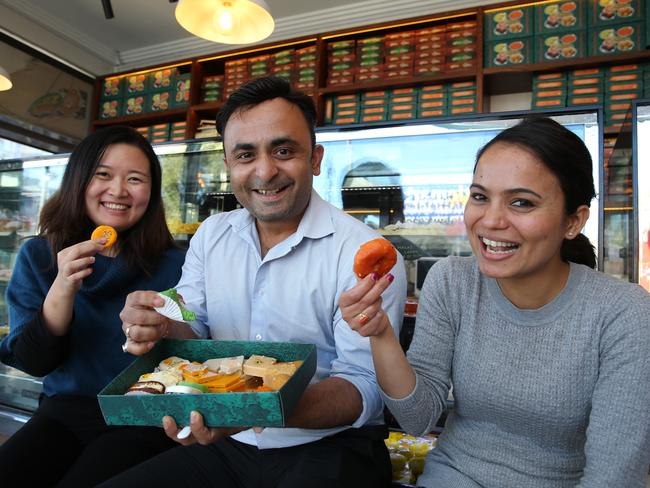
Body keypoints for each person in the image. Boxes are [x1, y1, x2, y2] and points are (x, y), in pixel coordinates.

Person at [101, 76, 407, 488]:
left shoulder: (364, 253)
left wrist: (253, 408)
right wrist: (162, 325)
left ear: (315, 159)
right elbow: (193, 325)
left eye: (283, 150)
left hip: (330, 447)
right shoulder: (211, 235)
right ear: (229, 166)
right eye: (245, 154)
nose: (265, 170)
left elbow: (365, 386)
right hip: (225, 443)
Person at [340, 117, 650, 487]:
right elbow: (417, 418)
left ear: (574, 221)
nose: (490, 220)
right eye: (480, 196)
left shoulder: (624, 313)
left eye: (521, 202)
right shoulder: (452, 281)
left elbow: (612, 477)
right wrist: (380, 333)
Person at [0, 126, 185, 486]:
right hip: (63, 412)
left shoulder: (176, 264)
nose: (118, 190)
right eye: (103, 175)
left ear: (151, 192)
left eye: (135, 178)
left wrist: (169, 324)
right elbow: (36, 362)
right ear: (79, 181)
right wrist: (63, 285)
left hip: (143, 416)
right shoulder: (39, 255)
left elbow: (196, 333)